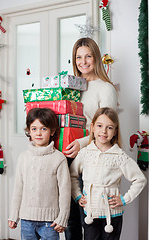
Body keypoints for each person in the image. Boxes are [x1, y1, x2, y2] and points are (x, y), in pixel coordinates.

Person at [64, 37, 118, 240]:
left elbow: (107, 130)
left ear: (96, 57)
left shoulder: (105, 88)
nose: (83, 61)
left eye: (88, 56)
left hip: (91, 159)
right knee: (69, 220)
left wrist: (81, 143)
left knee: (90, 220)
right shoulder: (71, 86)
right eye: (78, 57)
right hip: (68, 156)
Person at [70, 107, 147, 240]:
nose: (104, 131)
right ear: (93, 127)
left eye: (109, 127)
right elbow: (72, 175)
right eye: (100, 126)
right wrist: (77, 195)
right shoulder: (85, 153)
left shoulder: (119, 156)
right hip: (90, 213)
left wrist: (124, 199)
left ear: (115, 132)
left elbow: (140, 179)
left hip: (112, 215)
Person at [8, 108, 71, 240]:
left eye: (43, 129)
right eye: (34, 129)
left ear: (52, 131)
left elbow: (65, 191)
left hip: (50, 222)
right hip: (26, 220)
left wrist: (62, 218)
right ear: (29, 131)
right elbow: (18, 189)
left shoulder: (59, 158)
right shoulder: (23, 157)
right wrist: (14, 215)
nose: (38, 133)